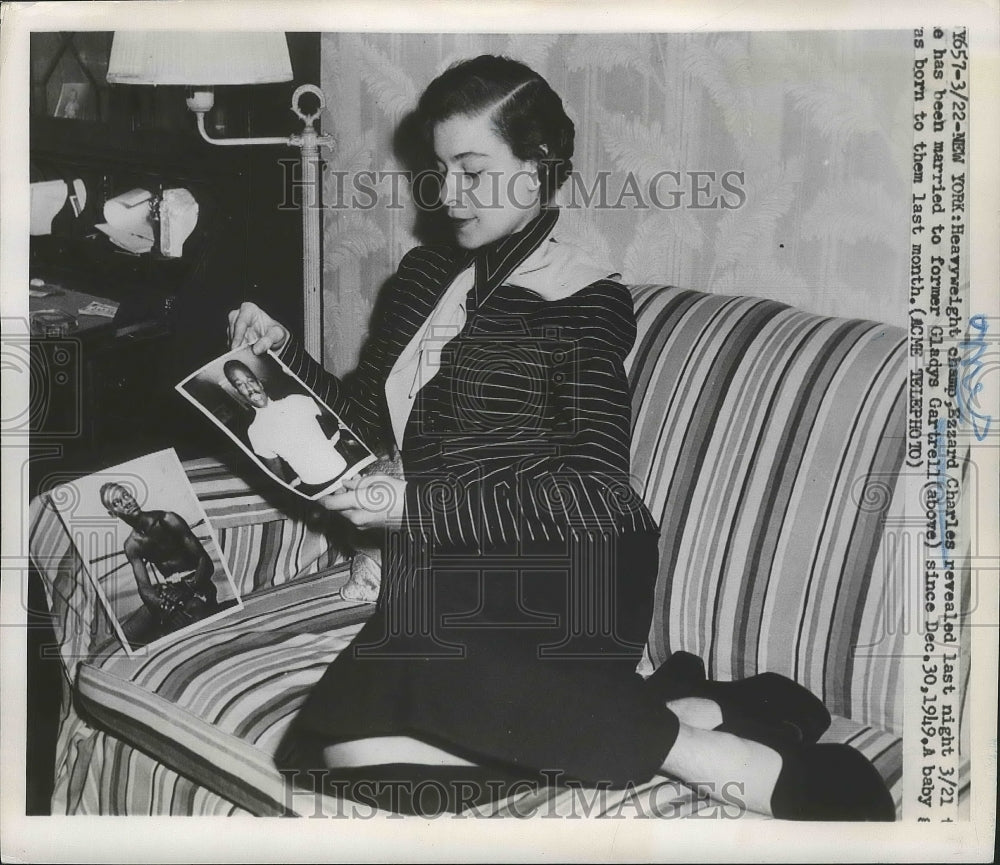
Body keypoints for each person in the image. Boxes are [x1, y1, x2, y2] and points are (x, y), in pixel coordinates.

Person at [228, 55, 894, 820]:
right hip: (454, 574)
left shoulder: (584, 302)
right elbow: (365, 424)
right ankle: (674, 717)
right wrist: (282, 357)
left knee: (408, 659)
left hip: (568, 567)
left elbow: (590, 491)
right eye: (441, 171)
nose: (449, 195)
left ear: (539, 168)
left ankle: (722, 759)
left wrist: (412, 507)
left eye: (474, 171)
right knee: (347, 750)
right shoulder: (421, 277)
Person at [100, 481, 220, 645]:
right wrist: (162, 605)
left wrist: (188, 588)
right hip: (169, 593)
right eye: (117, 503)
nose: (126, 502)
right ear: (113, 513)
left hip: (198, 585)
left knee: (189, 628)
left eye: (126, 495)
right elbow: (144, 587)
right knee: (124, 637)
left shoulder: (167, 519)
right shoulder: (131, 545)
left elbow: (205, 562)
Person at [223, 360, 347, 489]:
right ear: (238, 392)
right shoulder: (254, 432)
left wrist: (336, 437)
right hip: (315, 487)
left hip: (344, 469)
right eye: (241, 385)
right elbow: (277, 474)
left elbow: (335, 414)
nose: (249, 389)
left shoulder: (296, 400)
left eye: (251, 381)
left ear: (259, 383)